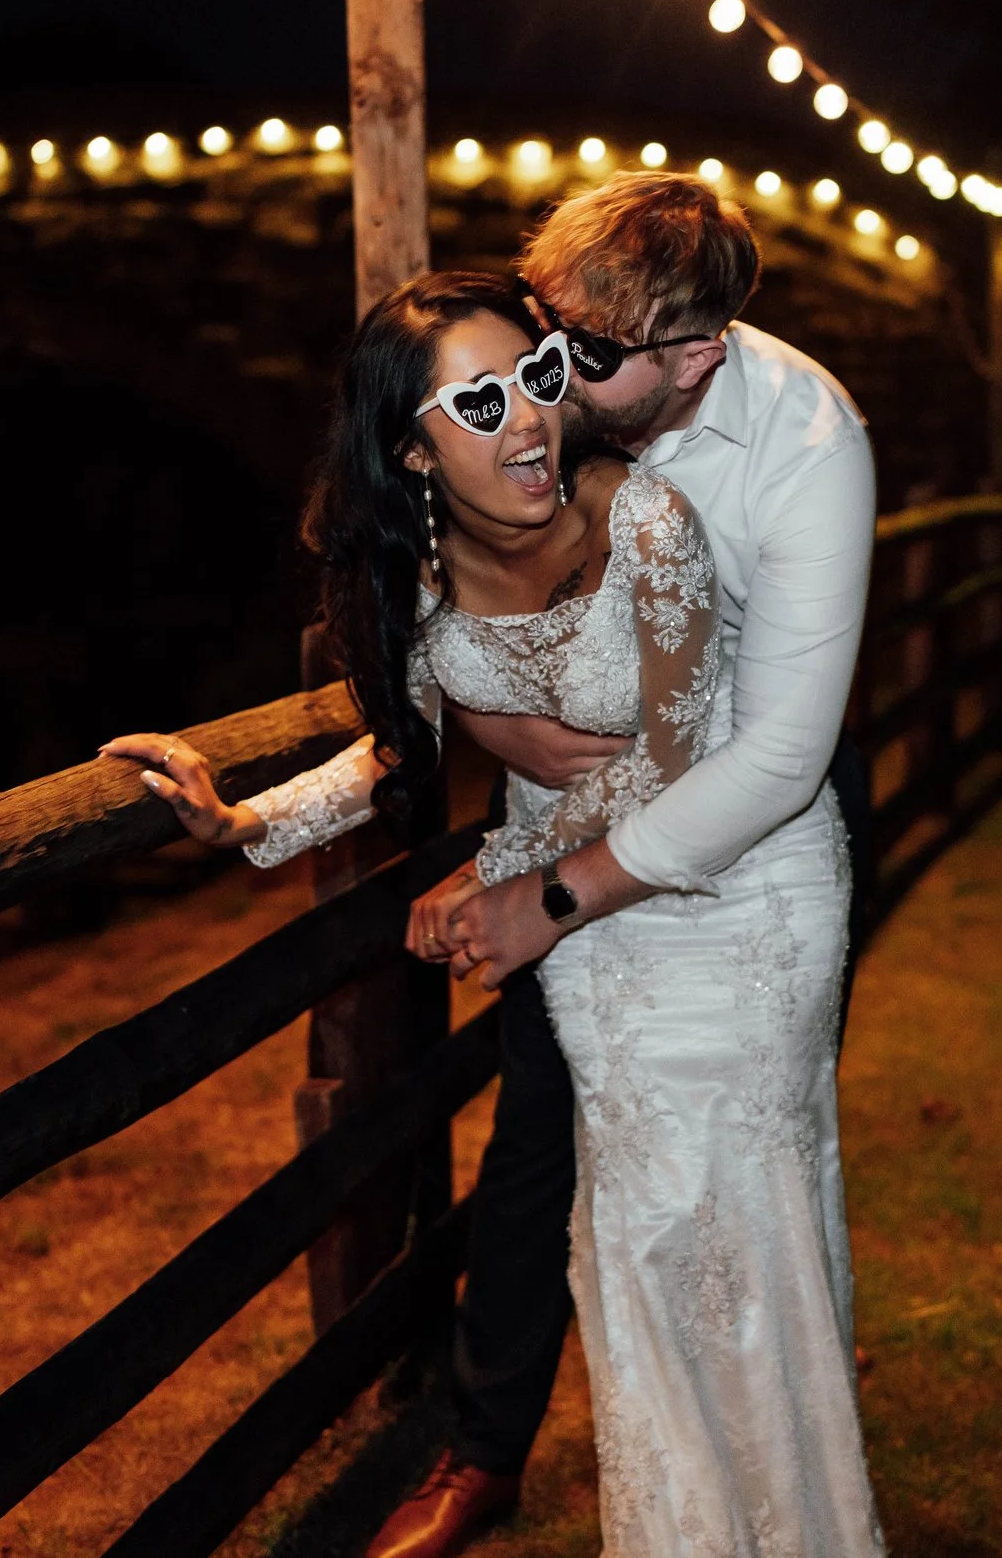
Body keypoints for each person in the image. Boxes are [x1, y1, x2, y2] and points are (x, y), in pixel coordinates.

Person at [106, 183, 881, 1557]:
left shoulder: (769, 460)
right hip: (590, 921)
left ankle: (782, 1507)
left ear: (693, 358)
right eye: (534, 350)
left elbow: (744, 759)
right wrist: (247, 823)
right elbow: (404, 737)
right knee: (620, 1229)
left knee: (732, 1225)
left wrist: (526, 883)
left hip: (739, 875)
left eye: (562, 368)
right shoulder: (504, 459)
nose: (540, 399)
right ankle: (592, 1484)